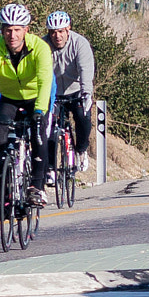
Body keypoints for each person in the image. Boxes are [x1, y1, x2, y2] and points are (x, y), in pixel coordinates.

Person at [0, 3, 54, 211]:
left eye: (17, 29)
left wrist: (40, 112)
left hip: (34, 99)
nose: (12, 35)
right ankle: (4, 193)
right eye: (8, 29)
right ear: (2, 30)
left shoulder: (40, 48)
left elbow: (46, 81)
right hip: (8, 99)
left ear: (26, 30)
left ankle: (36, 187)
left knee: (38, 136)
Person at [44, 10, 95, 181]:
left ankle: (81, 150)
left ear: (68, 29)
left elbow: (85, 70)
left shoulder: (80, 43)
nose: (57, 36)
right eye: (52, 32)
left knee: (83, 116)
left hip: (76, 90)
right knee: (49, 126)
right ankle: (50, 167)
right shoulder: (43, 45)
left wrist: (87, 93)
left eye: (60, 31)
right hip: (54, 93)